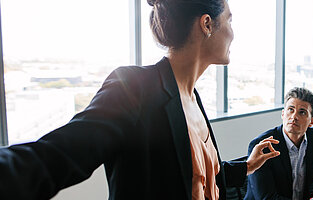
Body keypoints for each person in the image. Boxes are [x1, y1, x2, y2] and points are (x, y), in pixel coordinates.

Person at [0, 0, 280, 199]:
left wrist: (247, 165)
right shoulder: (134, 88)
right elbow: (56, 156)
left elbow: (198, 178)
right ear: (207, 24)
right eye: (229, 19)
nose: (233, 31)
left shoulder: (193, 97)